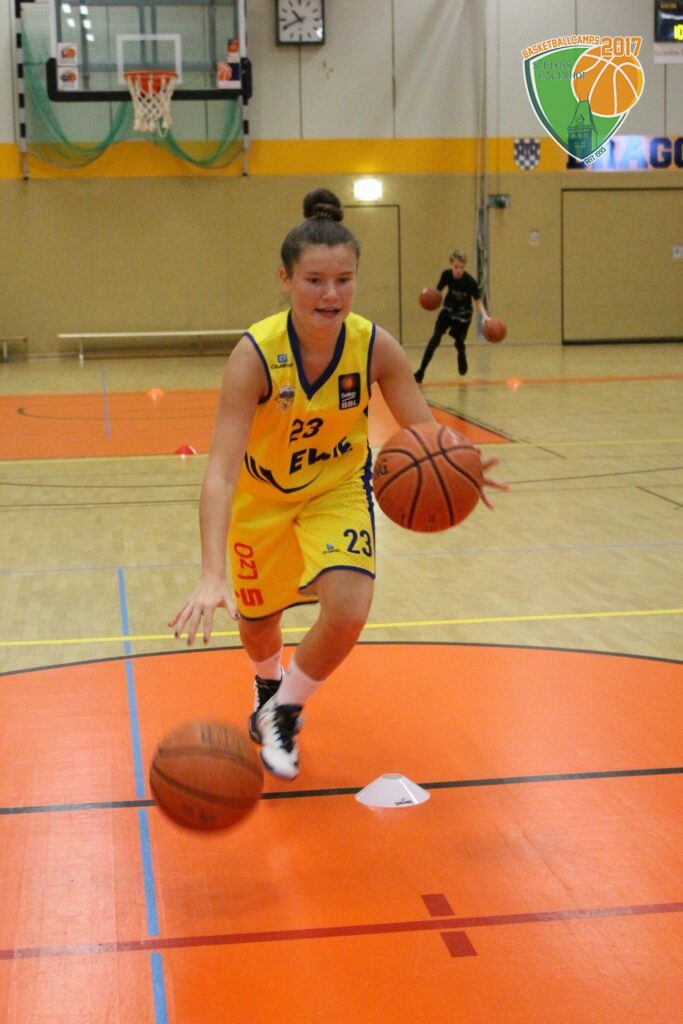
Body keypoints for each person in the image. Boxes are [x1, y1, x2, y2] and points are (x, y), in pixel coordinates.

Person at [169, 190, 504, 781]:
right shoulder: (254, 356)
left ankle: (284, 711)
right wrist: (210, 573)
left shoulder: (375, 347)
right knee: (258, 627)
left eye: (344, 280)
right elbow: (219, 472)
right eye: (315, 281)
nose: (331, 294)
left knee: (348, 609)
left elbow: (424, 432)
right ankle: (268, 683)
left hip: (338, 488)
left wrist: (459, 465)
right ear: (285, 280)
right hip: (262, 497)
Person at [414, 249, 490, 382]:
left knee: (459, 343)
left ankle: (461, 354)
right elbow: (437, 293)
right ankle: (421, 371)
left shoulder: (470, 282)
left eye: (462, 267)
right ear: (451, 264)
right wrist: (427, 295)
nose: (459, 270)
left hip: (463, 316)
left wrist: (485, 316)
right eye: (456, 267)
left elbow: (478, 302)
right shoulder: (446, 275)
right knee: (435, 339)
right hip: (448, 312)